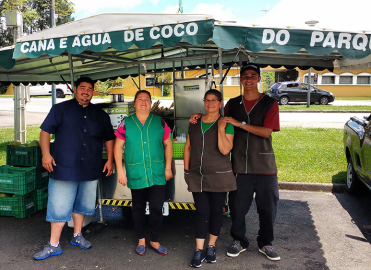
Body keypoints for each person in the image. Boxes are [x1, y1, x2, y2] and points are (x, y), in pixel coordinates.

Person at [189, 64, 281, 261]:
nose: (249, 79)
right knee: (238, 208)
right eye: (245, 76)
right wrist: (197, 115)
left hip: (265, 165)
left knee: (268, 207)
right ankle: (238, 240)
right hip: (239, 165)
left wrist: (241, 124)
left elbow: (267, 132)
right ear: (240, 79)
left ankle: (266, 243)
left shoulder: (270, 104)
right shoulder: (233, 104)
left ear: (258, 79)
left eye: (253, 76)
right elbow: (215, 116)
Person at [33, 77, 115, 260]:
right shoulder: (60, 109)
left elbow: (109, 138)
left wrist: (109, 160)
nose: (86, 91)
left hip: (90, 167)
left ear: (93, 92)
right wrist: (46, 154)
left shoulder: (100, 114)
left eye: (90, 89)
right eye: (83, 88)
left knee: (83, 205)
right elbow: (45, 131)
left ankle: (77, 235)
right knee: (59, 205)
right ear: (75, 89)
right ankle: (53, 244)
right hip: (64, 167)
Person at [114, 90, 173, 256]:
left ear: (150, 103)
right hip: (136, 171)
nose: (143, 102)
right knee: (138, 208)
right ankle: (141, 239)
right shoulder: (126, 122)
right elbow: (118, 147)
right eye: (140, 99)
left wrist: (168, 167)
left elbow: (168, 144)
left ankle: (154, 240)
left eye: (147, 99)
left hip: (157, 172)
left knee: (156, 207)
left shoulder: (159, 122)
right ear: (134, 103)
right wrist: (120, 170)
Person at [184, 89, 237, 268]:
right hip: (198, 175)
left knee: (216, 212)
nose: (210, 103)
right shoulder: (195, 122)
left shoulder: (226, 123)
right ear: (204, 102)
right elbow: (188, 147)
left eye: (214, 100)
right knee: (201, 212)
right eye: (207, 100)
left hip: (219, 176)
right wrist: (186, 170)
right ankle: (199, 249)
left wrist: (221, 128)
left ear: (221, 103)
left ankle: (211, 246)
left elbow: (225, 150)